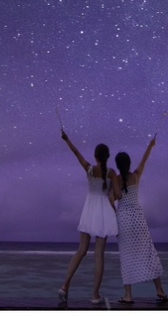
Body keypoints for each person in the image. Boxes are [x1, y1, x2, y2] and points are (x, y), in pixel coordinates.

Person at [58, 130, 119, 305]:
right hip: (103, 212)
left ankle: (64, 287)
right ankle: (95, 295)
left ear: (95, 156)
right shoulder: (111, 173)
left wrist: (66, 139)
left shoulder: (90, 169)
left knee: (81, 250)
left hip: (89, 210)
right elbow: (116, 195)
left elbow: (76, 153)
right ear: (108, 156)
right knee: (99, 255)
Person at [113, 137, 168, 305]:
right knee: (148, 253)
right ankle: (159, 289)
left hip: (123, 219)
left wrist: (113, 218)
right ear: (129, 163)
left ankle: (128, 295)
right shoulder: (136, 175)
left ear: (117, 165)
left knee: (126, 256)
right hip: (138, 218)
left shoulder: (115, 179)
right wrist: (150, 145)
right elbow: (145, 159)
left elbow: (112, 199)